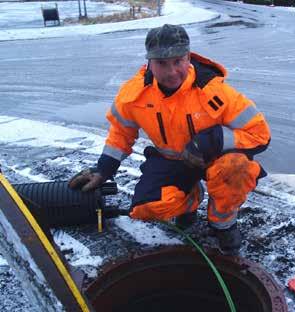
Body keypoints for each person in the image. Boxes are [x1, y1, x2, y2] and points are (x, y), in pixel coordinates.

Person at [69, 24, 271, 255]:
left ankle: (222, 225)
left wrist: (212, 140)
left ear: (188, 57)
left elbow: (260, 134)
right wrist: (103, 169)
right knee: (146, 209)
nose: (172, 71)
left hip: (214, 161)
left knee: (237, 168)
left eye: (178, 61)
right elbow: (120, 133)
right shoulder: (133, 95)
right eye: (162, 63)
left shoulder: (216, 93)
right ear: (149, 63)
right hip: (172, 162)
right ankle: (191, 198)